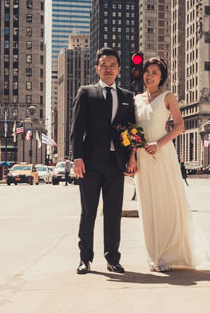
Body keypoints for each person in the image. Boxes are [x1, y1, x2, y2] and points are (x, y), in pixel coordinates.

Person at [134, 57, 207, 273]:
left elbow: (180, 126)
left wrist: (159, 144)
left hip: (162, 155)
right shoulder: (136, 99)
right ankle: (153, 255)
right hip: (142, 157)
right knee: (147, 207)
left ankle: (167, 254)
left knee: (165, 204)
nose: (149, 76)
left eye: (155, 72)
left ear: (162, 77)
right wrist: (132, 158)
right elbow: (133, 131)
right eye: (147, 71)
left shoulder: (168, 97)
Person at [71, 46, 136, 276]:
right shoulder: (86, 93)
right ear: (96, 68)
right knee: (88, 212)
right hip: (89, 163)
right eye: (103, 65)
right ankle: (85, 259)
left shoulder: (127, 97)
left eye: (112, 65)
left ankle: (112, 258)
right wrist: (76, 157)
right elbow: (77, 129)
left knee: (113, 212)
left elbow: (132, 130)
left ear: (119, 69)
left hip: (115, 163)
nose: (108, 69)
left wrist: (131, 157)